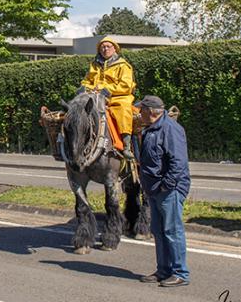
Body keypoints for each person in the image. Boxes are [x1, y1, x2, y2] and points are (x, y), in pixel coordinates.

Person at [136, 95, 190, 288]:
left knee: (172, 231)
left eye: (141, 110)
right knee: (159, 231)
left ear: (151, 112)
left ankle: (180, 272)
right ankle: (163, 270)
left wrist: (165, 185)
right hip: (154, 189)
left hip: (169, 189)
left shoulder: (170, 129)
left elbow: (178, 163)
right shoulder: (151, 128)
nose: (138, 113)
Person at [80, 36, 136, 159]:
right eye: (102, 47)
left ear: (115, 49)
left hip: (118, 97)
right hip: (95, 96)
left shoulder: (123, 65)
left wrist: (107, 91)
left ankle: (126, 145)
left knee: (123, 109)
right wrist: (85, 89)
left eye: (108, 46)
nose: (105, 49)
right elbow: (87, 81)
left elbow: (126, 85)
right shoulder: (94, 65)